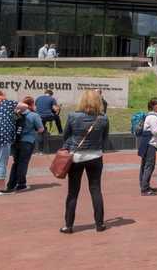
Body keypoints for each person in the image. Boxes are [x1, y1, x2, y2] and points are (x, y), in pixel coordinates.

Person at [59, 90, 110, 234]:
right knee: (96, 189)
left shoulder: (73, 116)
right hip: (95, 156)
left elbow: (66, 135)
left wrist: (71, 146)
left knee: (73, 191)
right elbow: (105, 138)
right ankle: (99, 224)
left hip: (76, 156)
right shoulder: (103, 118)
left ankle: (68, 225)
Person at [5, 96, 44, 192]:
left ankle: (11, 184)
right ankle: (21, 184)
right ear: (32, 104)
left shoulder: (16, 114)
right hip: (27, 141)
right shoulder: (34, 115)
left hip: (16, 141)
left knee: (16, 162)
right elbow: (41, 129)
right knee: (23, 163)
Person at [35, 89, 62, 153]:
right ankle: (60, 131)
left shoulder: (38, 98)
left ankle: (39, 150)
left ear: (45, 93)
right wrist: (59, 108)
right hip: (48, 116)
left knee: (41, 129)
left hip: (39, 117)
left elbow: (36, 108)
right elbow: (55, 109)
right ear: (51, 94)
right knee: (57, 117)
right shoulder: (52, 99)